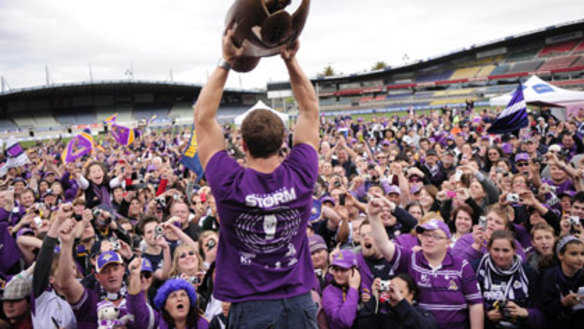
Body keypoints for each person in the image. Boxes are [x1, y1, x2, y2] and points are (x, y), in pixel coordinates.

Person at [193, 30, 320, 328]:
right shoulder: (301, 171)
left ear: (243, 145)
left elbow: (203, 118)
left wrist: (226, 61)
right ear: (284, 141)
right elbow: (310, 111)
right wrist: (290, 59)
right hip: (299, 301)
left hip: (251, 306)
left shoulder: (228, 181)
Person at [368, 195, 484, 329]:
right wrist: (373, 217)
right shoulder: (411, 259)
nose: (429, 239)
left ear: (447, 243)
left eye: (435, 236)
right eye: (426, 235)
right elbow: (383, 244)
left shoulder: (462, 266)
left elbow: (475, 303)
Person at [475, 230, 544, 329]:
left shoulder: (528, 273)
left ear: (514, 250)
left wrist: (525, 312)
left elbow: (542, 314)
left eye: (506, 250)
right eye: (496, 250)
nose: (500, 255)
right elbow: (467, 306)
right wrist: (486, 315)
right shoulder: (477, 269)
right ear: (489, 249)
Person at [126, 258, 209, 329]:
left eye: (183, 295)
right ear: (165, 305)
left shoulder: (203, 324)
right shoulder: (157, 322)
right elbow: (137, 312)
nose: (179, 299)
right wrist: (135, 275)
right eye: (173, 296)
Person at [538, 235, 584, 329]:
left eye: (582, 254)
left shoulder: (582, 274)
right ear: (560, 255)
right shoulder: (548, 276)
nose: (580, 258)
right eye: (574, 254)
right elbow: (544, 309)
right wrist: (563, 303)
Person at [370, 273, 437, 329]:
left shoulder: (423, 314)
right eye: (391, 290)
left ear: (411, 294)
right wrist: (374, 298)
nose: (394, 295)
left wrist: (401, 301)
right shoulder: (383, 310)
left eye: (400, 292)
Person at [322, 250, 361, 329]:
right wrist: (353, 289)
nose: (339, 274)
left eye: (343, 270)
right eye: (336, 269)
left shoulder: (364, 285)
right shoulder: (329, 291)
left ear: (355, 270)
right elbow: (344, 321)